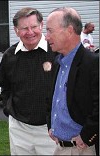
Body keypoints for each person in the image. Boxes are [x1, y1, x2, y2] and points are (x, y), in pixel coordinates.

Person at [0, 7, 57, 155]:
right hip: (19, 128)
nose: (30, 32)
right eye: (24, 28)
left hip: (50, 130)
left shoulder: (56, 51)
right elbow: (4, 86)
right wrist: (8, 108)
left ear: (41, 25)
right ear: (16, 30)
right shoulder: (9, 56)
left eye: (34, 27)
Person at [45, 7, 99, 155]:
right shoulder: (57, 62)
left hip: (82, 149)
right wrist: (51, 125)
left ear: (69, 31)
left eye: (50, 31)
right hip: (59, 148)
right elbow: (52, 98)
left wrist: (87, 136)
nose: (46, 37)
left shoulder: (93, 63)